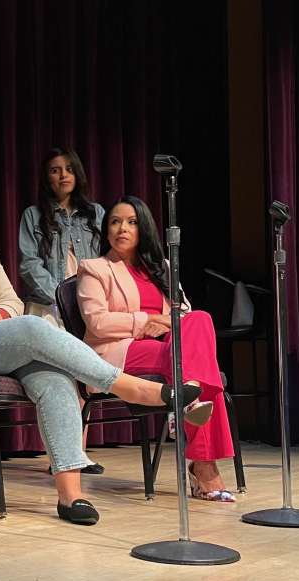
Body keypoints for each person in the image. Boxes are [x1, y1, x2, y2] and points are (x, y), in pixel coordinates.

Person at [0, 174, 203, 525]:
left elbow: (10, 302)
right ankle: (131, 387)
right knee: (37, 327)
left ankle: (71, 495)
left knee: (54, 375)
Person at [77, 196, 236, 501]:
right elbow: (97, 323)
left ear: (143, 229)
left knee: (200, 319)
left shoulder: (159, 267)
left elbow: (184, 313)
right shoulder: (95, 269)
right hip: (119, 350)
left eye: (131, 222)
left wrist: (164, 322)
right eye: (115, 221)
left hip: (166, 348)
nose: (122, 228)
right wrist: (146, 321)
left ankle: (186, 393)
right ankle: (204, 467)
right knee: (201, 367)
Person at [17, 147, 105, 325]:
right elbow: (29, 264)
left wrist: (89, 296)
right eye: (55, 171)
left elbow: (107, 259)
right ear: (47, 179)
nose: (63, 175)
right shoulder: (33, 215)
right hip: (47, 306)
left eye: (69, 169)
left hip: (90, 303)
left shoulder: (96, 213)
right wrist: (60, 295)